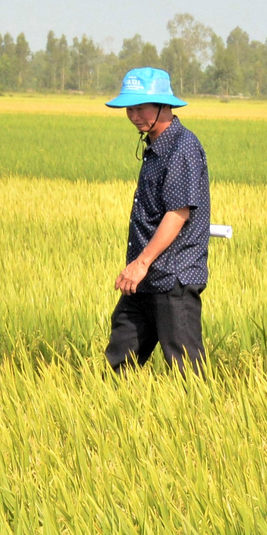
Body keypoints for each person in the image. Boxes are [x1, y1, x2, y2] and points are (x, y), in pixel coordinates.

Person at [104, 67, 210, 372]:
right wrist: (140, 267)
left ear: (165, 105)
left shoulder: (182, 147)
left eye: (141, 107)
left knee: (186, 367)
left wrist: (141, 262)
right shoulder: (155, 147)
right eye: (130, 108)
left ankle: (200, 419)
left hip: (173, 276)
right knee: (119, 360)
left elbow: (177, 214)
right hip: (144, 278)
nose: (134, 115)